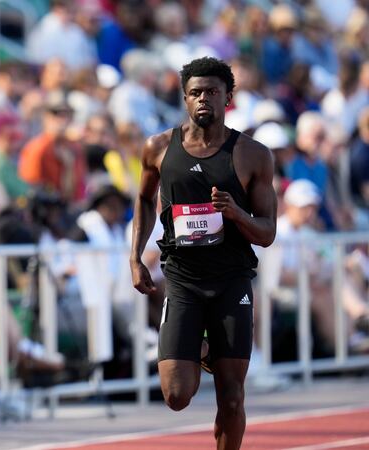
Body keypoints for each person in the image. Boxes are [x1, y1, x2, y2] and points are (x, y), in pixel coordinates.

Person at [130, 57, 277, 450]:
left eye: (212, 92)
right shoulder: (158, 147)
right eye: (195, 92)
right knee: (177, 395)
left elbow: (267, 232)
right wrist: (134, 256)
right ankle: (208, 351)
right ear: (183, 97)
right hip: (182, 280)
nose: (203, 100)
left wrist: (236, 214)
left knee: (231, 396)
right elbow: (144, 201)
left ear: (228, 97)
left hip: (232, 280)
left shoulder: (253, 155)